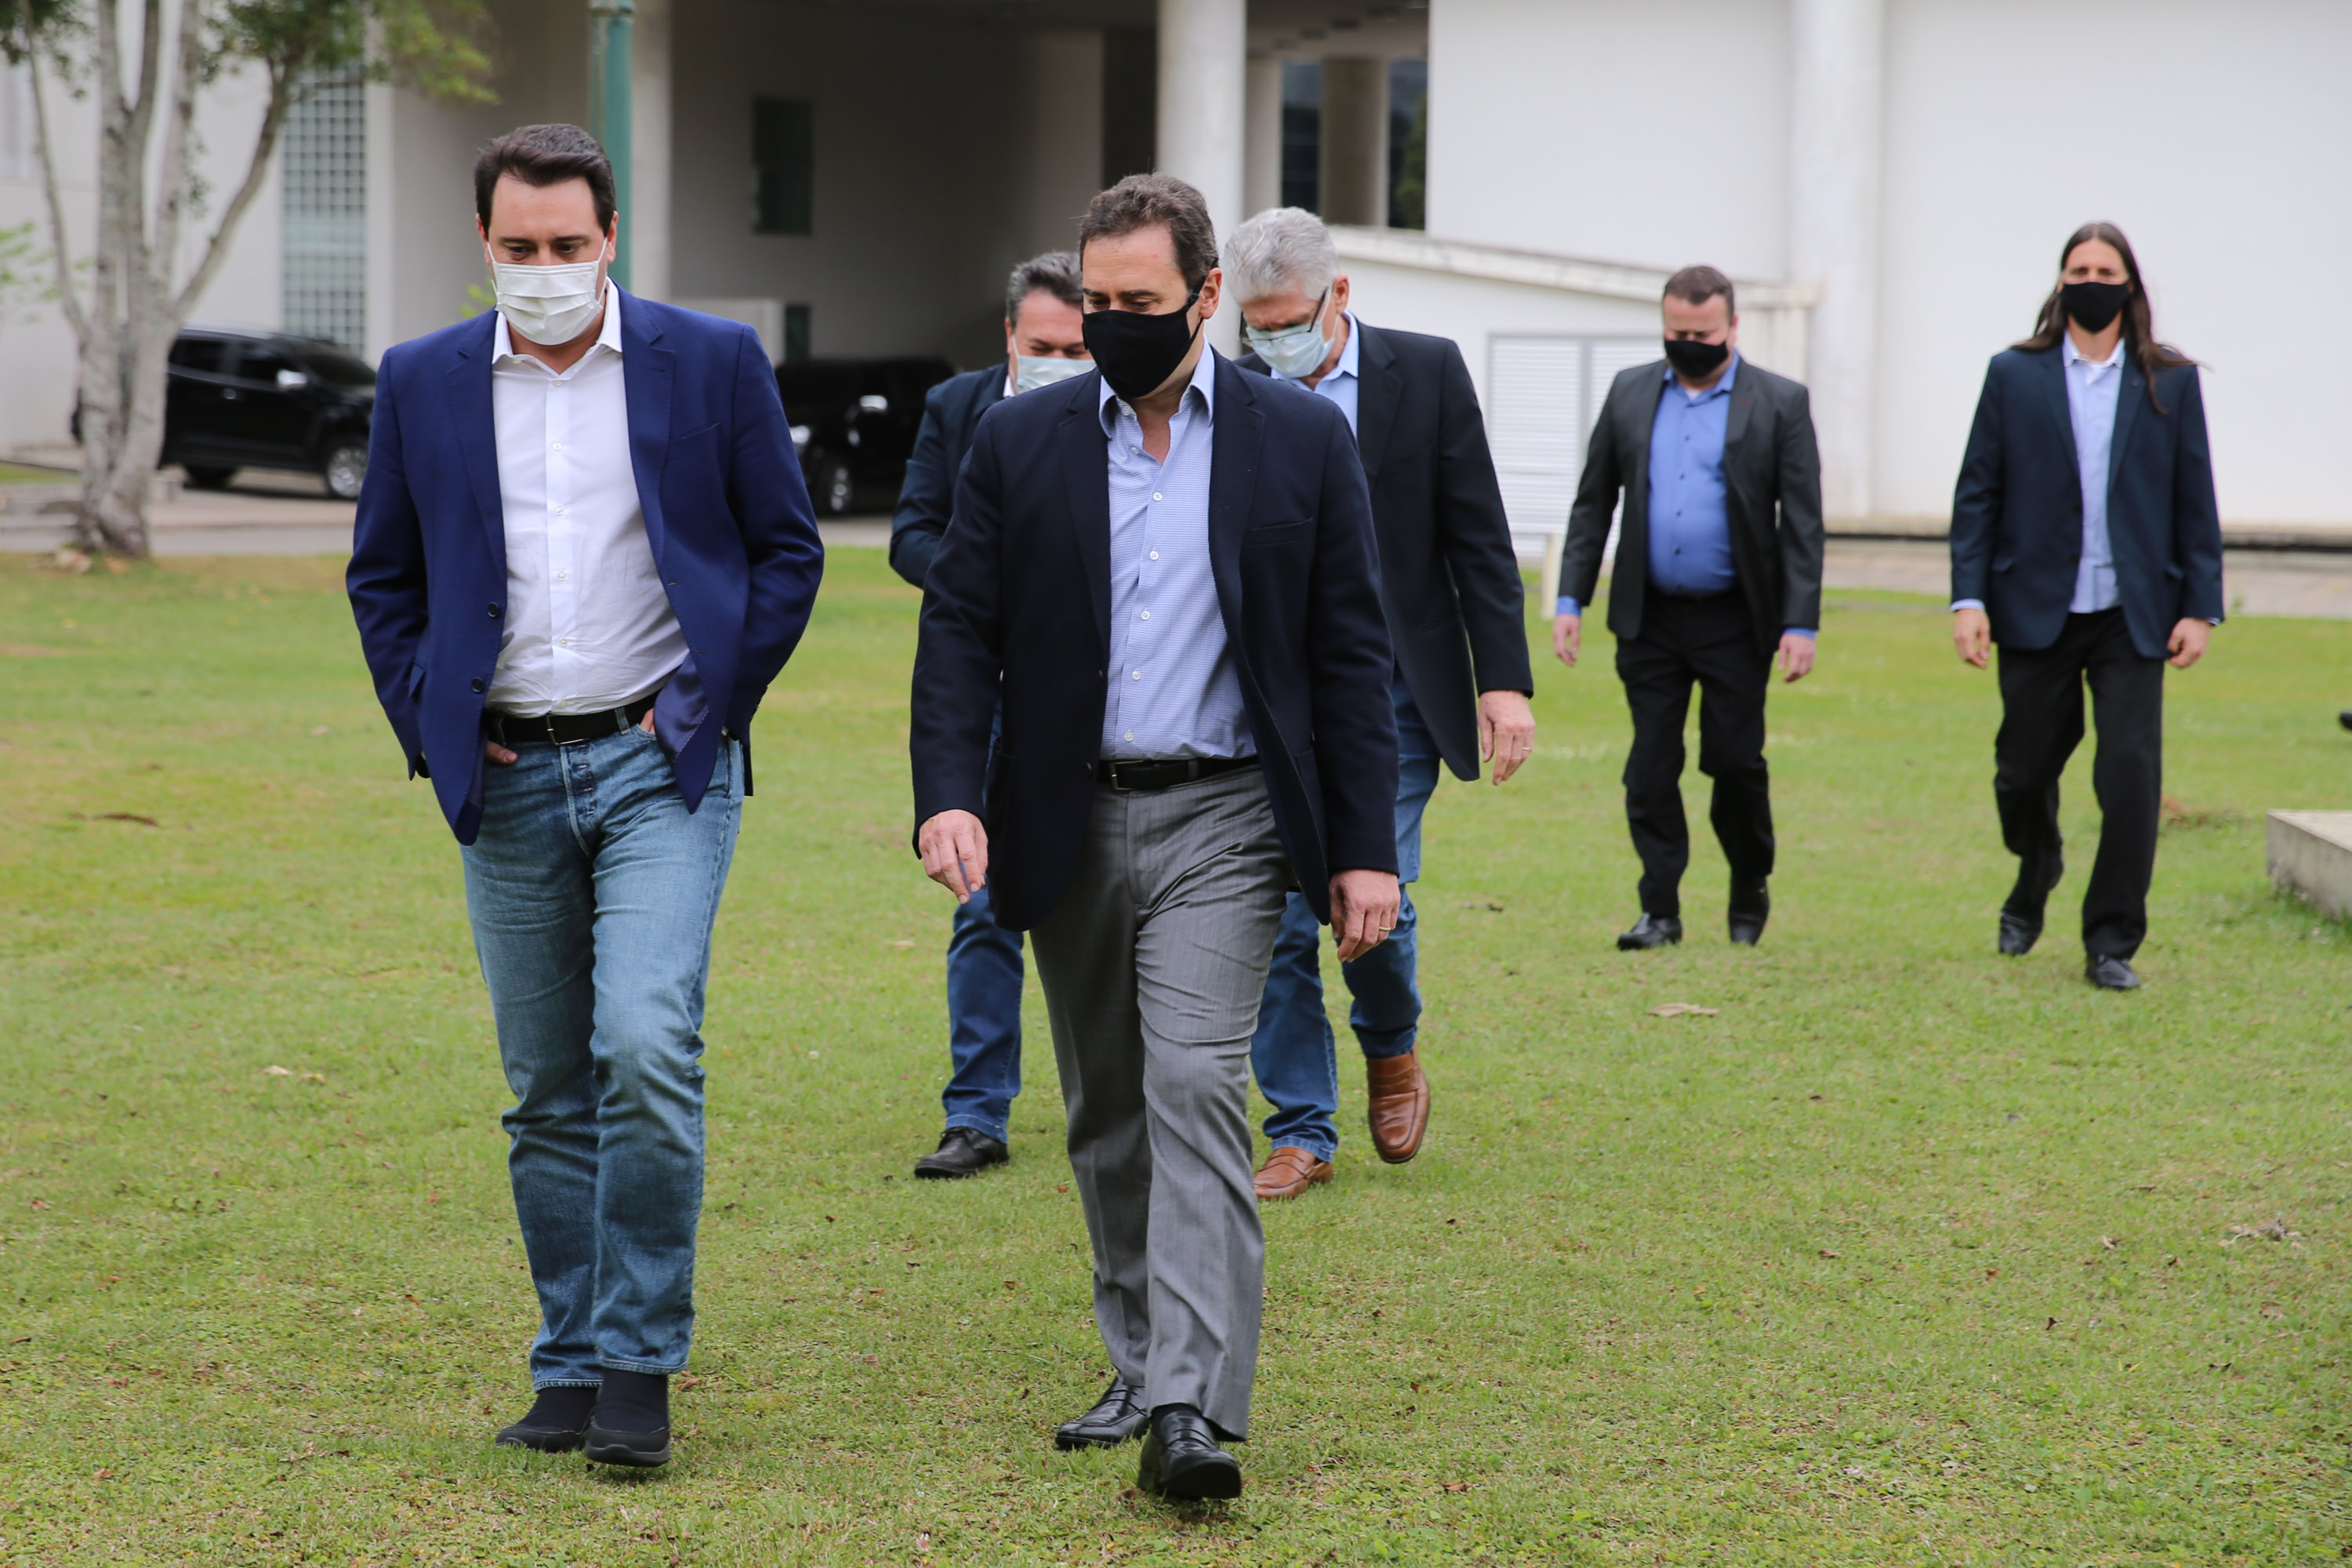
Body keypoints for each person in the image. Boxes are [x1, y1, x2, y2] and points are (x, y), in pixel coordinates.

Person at [909, 175, 1398, 1501]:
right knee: (1109, 1108)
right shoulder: (1021, 442)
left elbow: (1349, 653)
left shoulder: (1302, 441)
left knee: (1192, 1080)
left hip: (1228, 815)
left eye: (1140, 300)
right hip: (1063, 812)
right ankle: (1137, 1359)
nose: (1114, 322)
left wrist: (1364, 848)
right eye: (1097, 300)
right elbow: (958, 628)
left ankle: (1191, 1405)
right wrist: (949, 793)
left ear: (1206, 293)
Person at [346, 124, 823, 1468]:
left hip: (657, 763)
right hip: (503, 775)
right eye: (519, 246)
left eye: (567, 243)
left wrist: (707, 700)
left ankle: (638, 1363)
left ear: (610, 237)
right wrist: (435, 724)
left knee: (645, 1043)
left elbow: (786, 553)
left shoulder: (711, 360)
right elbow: (384, 577)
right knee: (547, 1087)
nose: (545, 265)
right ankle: (569, 1362)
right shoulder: (422, 378)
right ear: (483, 243)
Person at [1224, 206, 1532, 1201]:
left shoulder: (1426, 372)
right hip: (1272, 696)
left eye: (1290, 321)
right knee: (1277, 916)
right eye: (1257, 325)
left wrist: (1504, 681)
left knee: (1371, 897)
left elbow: (1477, 535)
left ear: (1339, 294)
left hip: (1392, 692)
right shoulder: (1230, 392)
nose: (1273, 341)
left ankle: (1392, 1045)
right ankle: (1300, 1127)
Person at [1949, 221, 2222, 991]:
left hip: (2133, 614)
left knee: (2129, 776)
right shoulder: (2014, 374)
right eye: (2079, 270)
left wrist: (2199, 607)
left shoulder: (2169, 380)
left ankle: (2111, 942)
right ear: (2061, 281)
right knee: (2022, 770)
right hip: (2034, 605)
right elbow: (1978, 493)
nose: (2092, 282)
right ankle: (2037, 865)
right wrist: (1968, 597)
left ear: (2129, 284)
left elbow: (2194, 498)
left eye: (2106, 271)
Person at [889, 252, 1090, 1180]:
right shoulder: (956, 407)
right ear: (1010, 335)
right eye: (1046, 345)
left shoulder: (1127, 411)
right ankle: (976, 1113)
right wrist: (986, 586)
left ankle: (1136, 1101)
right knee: (981, 900)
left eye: (1080, 348)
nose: (1063, 362)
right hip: (990, 686)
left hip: (1094, 696)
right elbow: (912, 532)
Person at [1553, 266, 1824, 950]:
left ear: (1732, 326)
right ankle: (1660, 909)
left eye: (1703, 334)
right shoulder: (1630, 392)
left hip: (1737, 620)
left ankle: (1749, 882)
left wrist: (1800, 621)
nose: (1689, 344)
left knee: (1734, 763)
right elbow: (1594, 502)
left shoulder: (1780, 402)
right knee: (1650, 767)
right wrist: (1571, 597)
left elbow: (1803, 523)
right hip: (1649, 619)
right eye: (1677, 332)